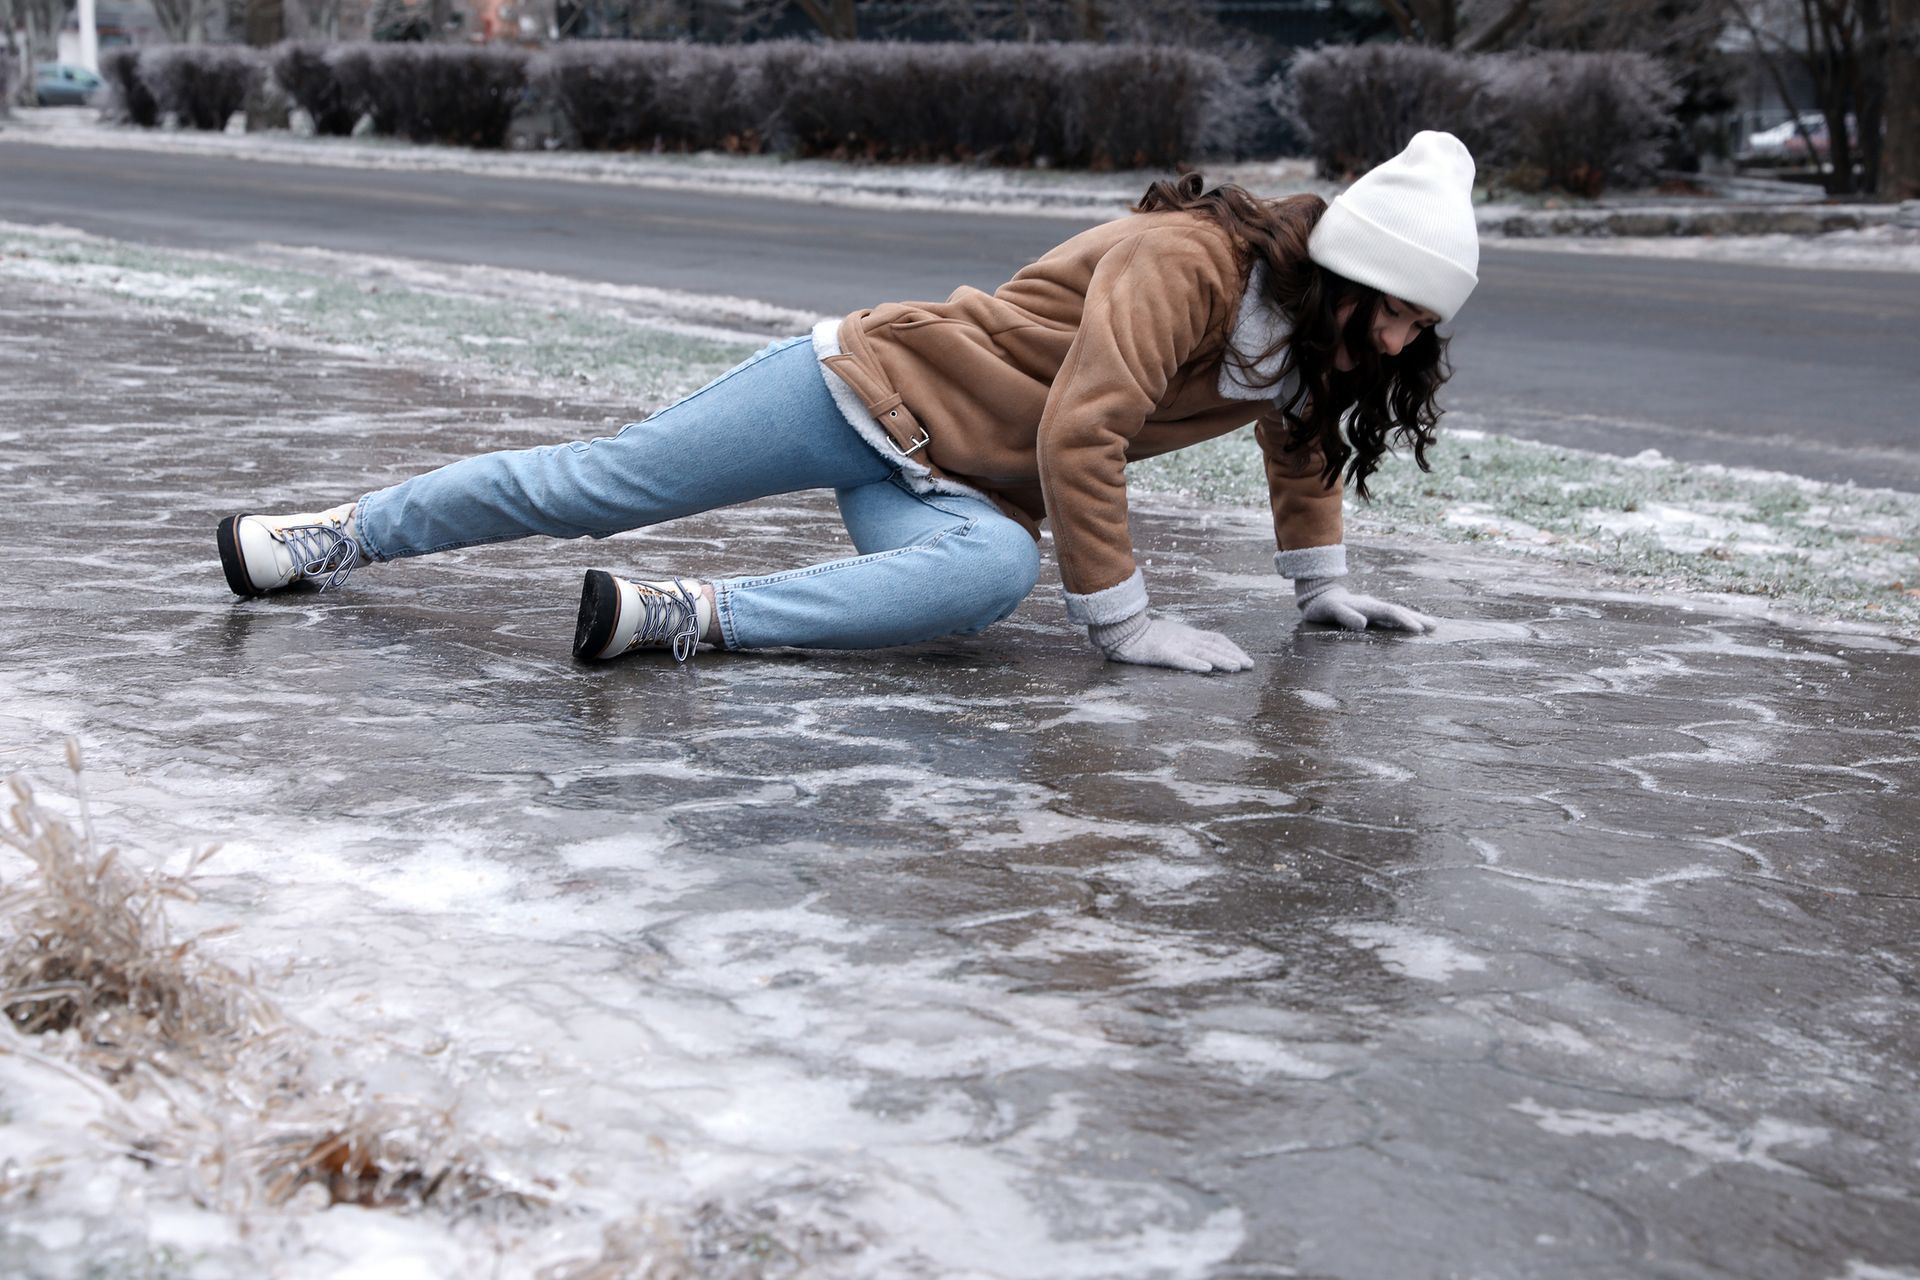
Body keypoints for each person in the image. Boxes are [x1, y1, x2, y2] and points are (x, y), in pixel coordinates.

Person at [215, 131, 1478, 675]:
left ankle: (682, 617)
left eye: (1426, 323)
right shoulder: (1190, 263)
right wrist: (1126, 624)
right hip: (862, 386)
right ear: (1344, 274)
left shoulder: (1313, 340)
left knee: (984, 581)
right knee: (598, 487)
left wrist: (1320, 587)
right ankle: (333, 533)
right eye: (1401, 310)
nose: (1406, 338)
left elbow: (1301, 434)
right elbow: (1084, 428)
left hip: (958, 483)